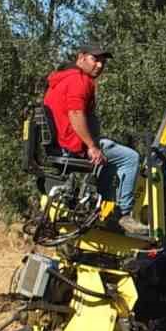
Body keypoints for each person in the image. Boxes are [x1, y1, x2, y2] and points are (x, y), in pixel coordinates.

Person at [41, 42, 144, 237]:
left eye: (103, 62)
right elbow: (75, 113)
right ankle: (121, 214)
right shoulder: (80, 80)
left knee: (109, 157)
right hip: (72, 144)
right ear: (81, 57)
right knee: (129, 158)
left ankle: (104, 208)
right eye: (95, 59)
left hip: (61, 144)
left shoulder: (61, 79)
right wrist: (91, 146)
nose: (99, 65)